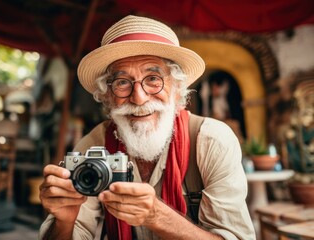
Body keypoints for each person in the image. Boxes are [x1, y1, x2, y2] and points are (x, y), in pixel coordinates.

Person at [39, 15, 256, 240]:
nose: (139, 98)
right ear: (107, 95)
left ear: (177, 87)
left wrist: (156, 216)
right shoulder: (93, 146)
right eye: (122, 82)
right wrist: (64, 222)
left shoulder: (212, 141)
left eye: (153, 78)